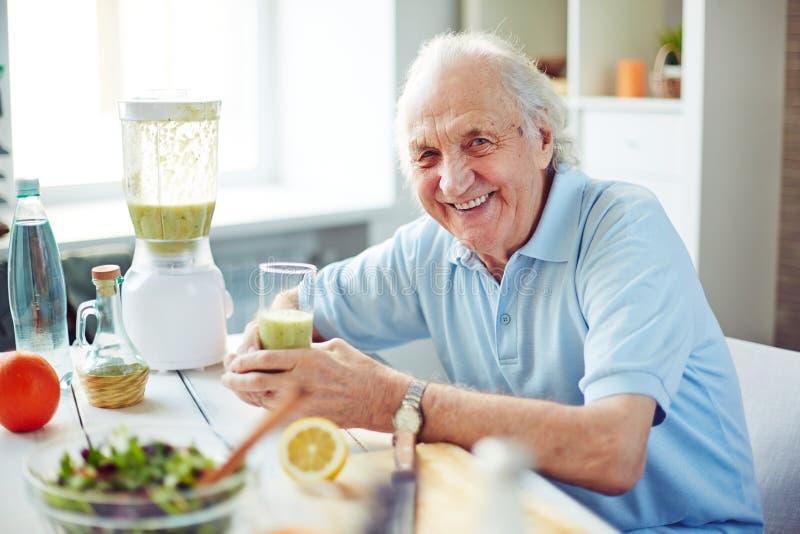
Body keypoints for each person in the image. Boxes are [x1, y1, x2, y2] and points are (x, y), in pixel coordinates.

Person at [223, 32, 763, 532]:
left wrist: (394, 401)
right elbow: (303, 303)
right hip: (530, 515)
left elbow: (613, 449)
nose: (453, 181)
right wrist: (264, 346)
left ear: (542, 139)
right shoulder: (431, 247)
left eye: (478, 141)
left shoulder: (624, 229)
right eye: (427, 155)